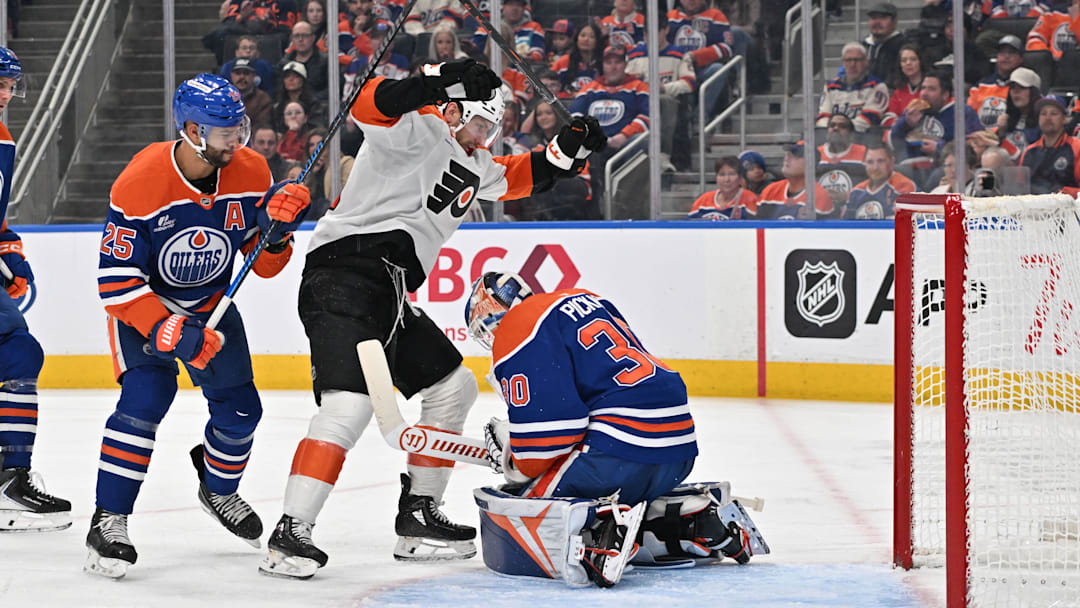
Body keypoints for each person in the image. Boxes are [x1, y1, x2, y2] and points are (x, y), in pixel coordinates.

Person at [258, 59, 607, 579]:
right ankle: (292, 531)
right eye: (479, 123)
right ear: (452, 110)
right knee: (349, 406)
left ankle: (419, 515)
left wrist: (571, 145)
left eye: (492, 128)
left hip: (391, 292)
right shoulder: (415, 127)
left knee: (453, 387)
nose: (484, 136)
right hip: (342, 275)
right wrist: (439, 79)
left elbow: (523, 176)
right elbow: (368, 100)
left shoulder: (477, 162)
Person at [84, 73, 311, 579]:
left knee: (243, 411)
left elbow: (262, 264)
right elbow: (116, 282)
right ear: (192, 131)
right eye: (226, 132)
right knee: (145, 400)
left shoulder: (251, 170)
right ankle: (108, 520)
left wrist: (276, 235)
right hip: (147, 305)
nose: (238, 140)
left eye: (239, 129)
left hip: (212, 305)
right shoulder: (140, 181)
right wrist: (164, 327)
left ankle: (218, 489)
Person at [463, 272, 762, 587]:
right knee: (624, 487)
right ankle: (690, 520)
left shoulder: (518, 327)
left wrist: (516, 461)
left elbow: (553, 435)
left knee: (527, 508)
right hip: (677, 451)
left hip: (618, 453)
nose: (490, 337)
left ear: (491, 313)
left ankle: (600, 533)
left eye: (485, 327)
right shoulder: (585, 299)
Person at [0, 47, 72, 533]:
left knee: (18, 354)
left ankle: (10, 477)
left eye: (10, 86)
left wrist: (9, 249)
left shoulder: (3, 139)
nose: (6, 95)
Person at [624, 12, 696, 172]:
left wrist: (664, 88)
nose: (651, 37)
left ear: (666, 30)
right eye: (647, 33)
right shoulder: (634, 55)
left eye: (655, 32)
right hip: (639, 101)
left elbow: (689, 83)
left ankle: (663, 156)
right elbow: (624, 82)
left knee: (664, 101)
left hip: (667, 103)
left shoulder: (678, 54)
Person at [888, 70, 984, 169]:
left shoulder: (963, 113)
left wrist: (940, 148)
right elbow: (893, 141)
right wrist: (906, 124)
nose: (924, 93)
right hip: (909, 165)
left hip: (945, 168)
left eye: (931, 89)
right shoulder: (915, 109)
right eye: (923, 88)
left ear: (945, 95)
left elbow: (975, 149)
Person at [816, 42, 889, 133]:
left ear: (866, 61)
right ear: (842, 62)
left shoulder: (877, 86)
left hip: (864, 137)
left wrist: (843, 129)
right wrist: (832, 129)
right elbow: (823, 117)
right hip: (833, 136)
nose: (852, 64)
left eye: (857, 60)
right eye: (848, 60)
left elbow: (871, 118)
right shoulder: (830, 87)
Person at [756, 142, 834, 219]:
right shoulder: (770, 191)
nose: (787, 158)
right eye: (788, 154)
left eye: (796, 156)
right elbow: (756, 225)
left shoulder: (820, 197)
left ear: (811, 164)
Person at [1020, 95, 1080, 194]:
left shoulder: (1077, 148)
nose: (1048, 118)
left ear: (1065, 119)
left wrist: (1060, 192)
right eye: (1043, 114)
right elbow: (1019, 189)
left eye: (1054, 113)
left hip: (1067, 203)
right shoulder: (1029, 151)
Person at [842, 144, 915, 219]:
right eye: (870, 162)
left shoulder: (904, 186)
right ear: (865, 164)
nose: (875, 168)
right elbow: (845, 223)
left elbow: (895, 222)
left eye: (880, 161)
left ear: (892, 162)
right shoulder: (856, 192)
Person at [967, 35, 1025, 129]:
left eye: (1011, 53)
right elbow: (968, 116)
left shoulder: (1025, 87)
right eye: (1002, 52)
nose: (1006, 56)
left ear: (1021, 59)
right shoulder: (981, 85)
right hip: (980, 135)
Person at [817, 113, 867, 208]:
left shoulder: (864, 153)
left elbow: (875, 185)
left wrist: (848, 196)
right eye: (832, 125)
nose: (836, 128)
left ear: (851, 134)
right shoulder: (815, 154)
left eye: (842, 126)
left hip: (854, 209)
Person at [994, 66, 1042, 161]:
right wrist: (1000, 133)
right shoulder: (1007, 119)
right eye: (1012, 88)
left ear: (1034, 92)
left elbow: (1037, 159)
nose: (1016, 92)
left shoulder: (1043, 120)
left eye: (1022, 87)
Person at [688, 156, 758, 219]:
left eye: (731, 174)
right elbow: (688, 226)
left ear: (740, 178)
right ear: (716, 178)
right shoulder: (703, 201)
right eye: (722, 174)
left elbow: (757, 226)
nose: (726, 179)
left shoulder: (750, 199)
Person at [280, 21, 330, 100]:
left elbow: (333, 89)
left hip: (318, 104)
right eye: (296, 36)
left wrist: (309, 100)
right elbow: (279, 90)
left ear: (313, 38)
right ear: (292, 39)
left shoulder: (327, 62)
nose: (300, 39)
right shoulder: (284, 63)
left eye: (305, 35)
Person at [272, 61, 326, 132]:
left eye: (295, 76)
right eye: (287, 76)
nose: (291, 79)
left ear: (302, 80)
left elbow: (316, 126)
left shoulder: (314, 105)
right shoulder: (278, 106)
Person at [552, 22, 603, 95]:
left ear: (597, 41)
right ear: (576, 39)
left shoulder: (604, 63)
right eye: (582, 35)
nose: (586, 39)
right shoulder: (563, 62)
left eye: (592, 36)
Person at [883, 44, 925, 128]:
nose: (908, 63)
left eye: (913, 59)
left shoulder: (929, 88)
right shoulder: (899, 91)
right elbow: (888, 117)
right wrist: (896, 123)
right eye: (904, 60)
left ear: (921, 61)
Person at [863, 2, 904, 85]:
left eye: (883, 18)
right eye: (873, 18)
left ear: (894, 21)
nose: (877, 22)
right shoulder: (862, 46)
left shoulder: (904, 46)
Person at [230, 57, 273, 128]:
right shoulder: (222, 98)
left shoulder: (263, 99)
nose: (242, 77)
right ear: (231, 75)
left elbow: (262, 126)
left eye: (246, 73)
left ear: (254, 76)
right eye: (238, 73)